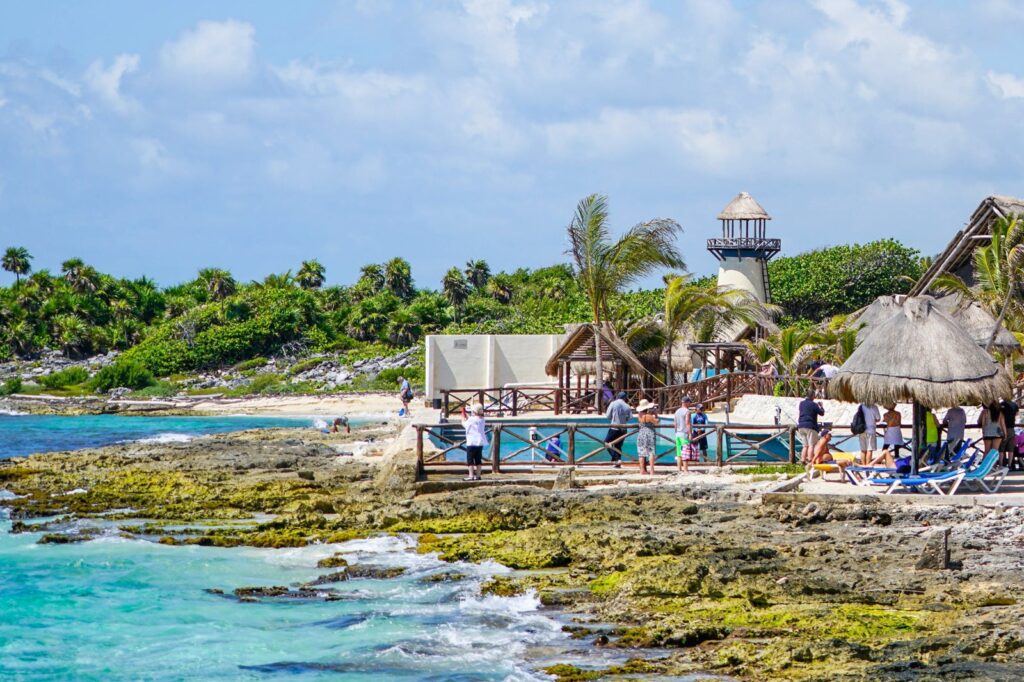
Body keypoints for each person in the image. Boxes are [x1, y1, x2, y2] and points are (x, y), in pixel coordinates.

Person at [604, 391, 632, 469]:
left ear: (618, 397)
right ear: (625, 398)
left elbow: (608, 416)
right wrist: (624, 419)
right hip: (623, 428)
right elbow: (630, 417)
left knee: (606, 443)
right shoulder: (627, 406)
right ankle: (616, 462)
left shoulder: (613, 404)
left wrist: (613, 418)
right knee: (618, 446)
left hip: (614, 427)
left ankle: (616, 459)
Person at [797, 389, 825, 464]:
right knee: (811, 445)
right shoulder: (814, 404)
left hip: (801, 425)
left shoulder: (801, 403)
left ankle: (803, 460)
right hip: (810, 426)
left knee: (805, 445)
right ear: (812, 396)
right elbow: (821, 413)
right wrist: (821, 406)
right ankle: (810, 460)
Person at [461, 404, 488, 481]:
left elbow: (464, 424)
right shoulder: (482, 419)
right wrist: (468, 416)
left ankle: (471, 475)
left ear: (474, 411)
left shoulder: (472, 419)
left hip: (472, 442)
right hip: (480, 442)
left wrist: (463, 418)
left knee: (470, 459)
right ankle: (478, 475)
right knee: (478, 459)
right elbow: (475, 420)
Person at [673, 396, 699, 473]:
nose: (690, 403)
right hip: (684, 434)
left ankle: (679, 469)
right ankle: (685, 469)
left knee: (678, 452)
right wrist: (690, 433)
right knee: (685, 452)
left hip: (677, 433)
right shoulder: (687, 411)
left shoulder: (677, 411)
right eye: (689, 402)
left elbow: (674, 423)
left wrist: (676, 431)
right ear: (686, 402)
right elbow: (687, 423)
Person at [636, 399, 659, 475]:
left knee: (641, 453)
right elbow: (657, 422)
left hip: (641, 434)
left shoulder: (639, 416)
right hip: (650, 434)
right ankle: (652, 470)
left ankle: (642, 470)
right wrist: (655, 414)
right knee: (651, 452)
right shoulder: (649, 416)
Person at [1000, 398, 1019, 467]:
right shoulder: (1014, 405)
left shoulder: (1001, 405)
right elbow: (1017, 414)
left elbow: (1000, 417)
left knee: (1001, 448)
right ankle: (1010, 464)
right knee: (1011, 448)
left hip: (1003, 428)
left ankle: (1001, 464)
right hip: (1012, 428)